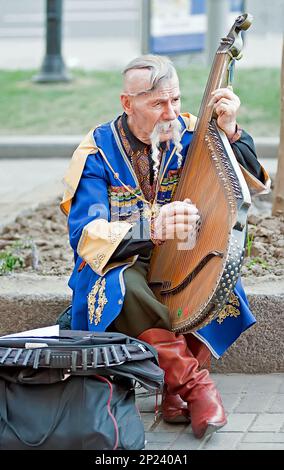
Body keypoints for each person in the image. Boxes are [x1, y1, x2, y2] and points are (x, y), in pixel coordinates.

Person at [60, 55, 270, 439]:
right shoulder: (98, 152)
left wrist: (230, 130)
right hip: (121, 263)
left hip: (182, 256)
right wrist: (151, 227)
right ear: (127, 103)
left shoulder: (192, 132)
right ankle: (193, 386)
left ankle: (175, 392)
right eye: (157, 103)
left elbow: (250, 181)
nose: (170, 112)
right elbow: (86, 235)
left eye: (175, 100)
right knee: (124, 288)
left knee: (221, 277)